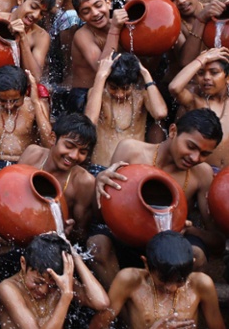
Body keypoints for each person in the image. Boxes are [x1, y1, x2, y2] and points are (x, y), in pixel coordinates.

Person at [90, 108, 225, 289]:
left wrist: (190, 231)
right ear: (173, 131)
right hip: (126, 234)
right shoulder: (131, 151)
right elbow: (99, 215)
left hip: (171, 245)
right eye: (191, 147)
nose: (195, 158)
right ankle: (122, 311)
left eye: (204, 154)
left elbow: (217, 241)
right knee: (97, 245)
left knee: (196, 254)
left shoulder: (202, 174)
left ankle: (176, 312)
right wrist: (100, 183)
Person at [90, 231, 225, 329]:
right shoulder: (130, 280)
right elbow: (97, 326)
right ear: (146, 264)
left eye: (180, 281)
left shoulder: (201, 284)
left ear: (192, 264)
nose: (171, 288)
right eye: (163, 280)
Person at [0, 233, 109, 328]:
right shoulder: (8, 288)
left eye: (52, 285)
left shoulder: (61, 283)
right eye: (38, 282)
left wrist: (75, 257)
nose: (44, 290)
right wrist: (66, 296)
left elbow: (101, 302)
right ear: (23, 263)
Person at [18, 113, 97, 243]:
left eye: (82, 152)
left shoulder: (84, 182)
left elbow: (81, 233)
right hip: (21, 225)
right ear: (52, 138)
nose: (73, 155)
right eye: (69, 146)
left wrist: (66, 232)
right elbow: (13, 190)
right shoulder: (32, 155)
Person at [85, 53, 167, 174]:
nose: (120, 94)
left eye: (125, 88)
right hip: (100, 168)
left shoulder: (142, 96)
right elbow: (90, 120)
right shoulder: (99, 94)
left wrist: (145, 73)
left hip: (133, 169)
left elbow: (160, 113)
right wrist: (101, 76)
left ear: (134, 84)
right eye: (113, 87)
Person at [68, 0, 128, 113]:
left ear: (108, 3)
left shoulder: (120, 24)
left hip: (117, 90)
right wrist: (115, 29)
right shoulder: (82, 35)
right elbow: (102, 69)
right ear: (81, 17)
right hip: (84, 95)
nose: (95, 13)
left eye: (98, 5)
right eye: (86, 11)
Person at [169, 47, 229, 173]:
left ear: (227, 77)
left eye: (214, 72)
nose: (206, 78)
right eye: (201, 73)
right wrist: (202, 58)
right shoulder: (196, 103)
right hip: (203, 175)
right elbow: (175, 88)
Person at [0, 66, 51, 173]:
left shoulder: (33, 107)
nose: (9, 106)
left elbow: (49, 144)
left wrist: (36, 103)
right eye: (2, 100)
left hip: (25, 164)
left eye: (15, 100)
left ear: (25, 94)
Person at [155, 0, 229, 67]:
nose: (181, 1)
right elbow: (186, 62)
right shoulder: (172, 24)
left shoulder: (216, 11)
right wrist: (200, 20)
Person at [0, 0, 56, 81]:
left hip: (19, 87)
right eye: (33, 6)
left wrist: (23, 38)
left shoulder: (41, 36)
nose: (36, 15)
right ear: (20, 0)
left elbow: (35, 78)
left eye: (42, 13)